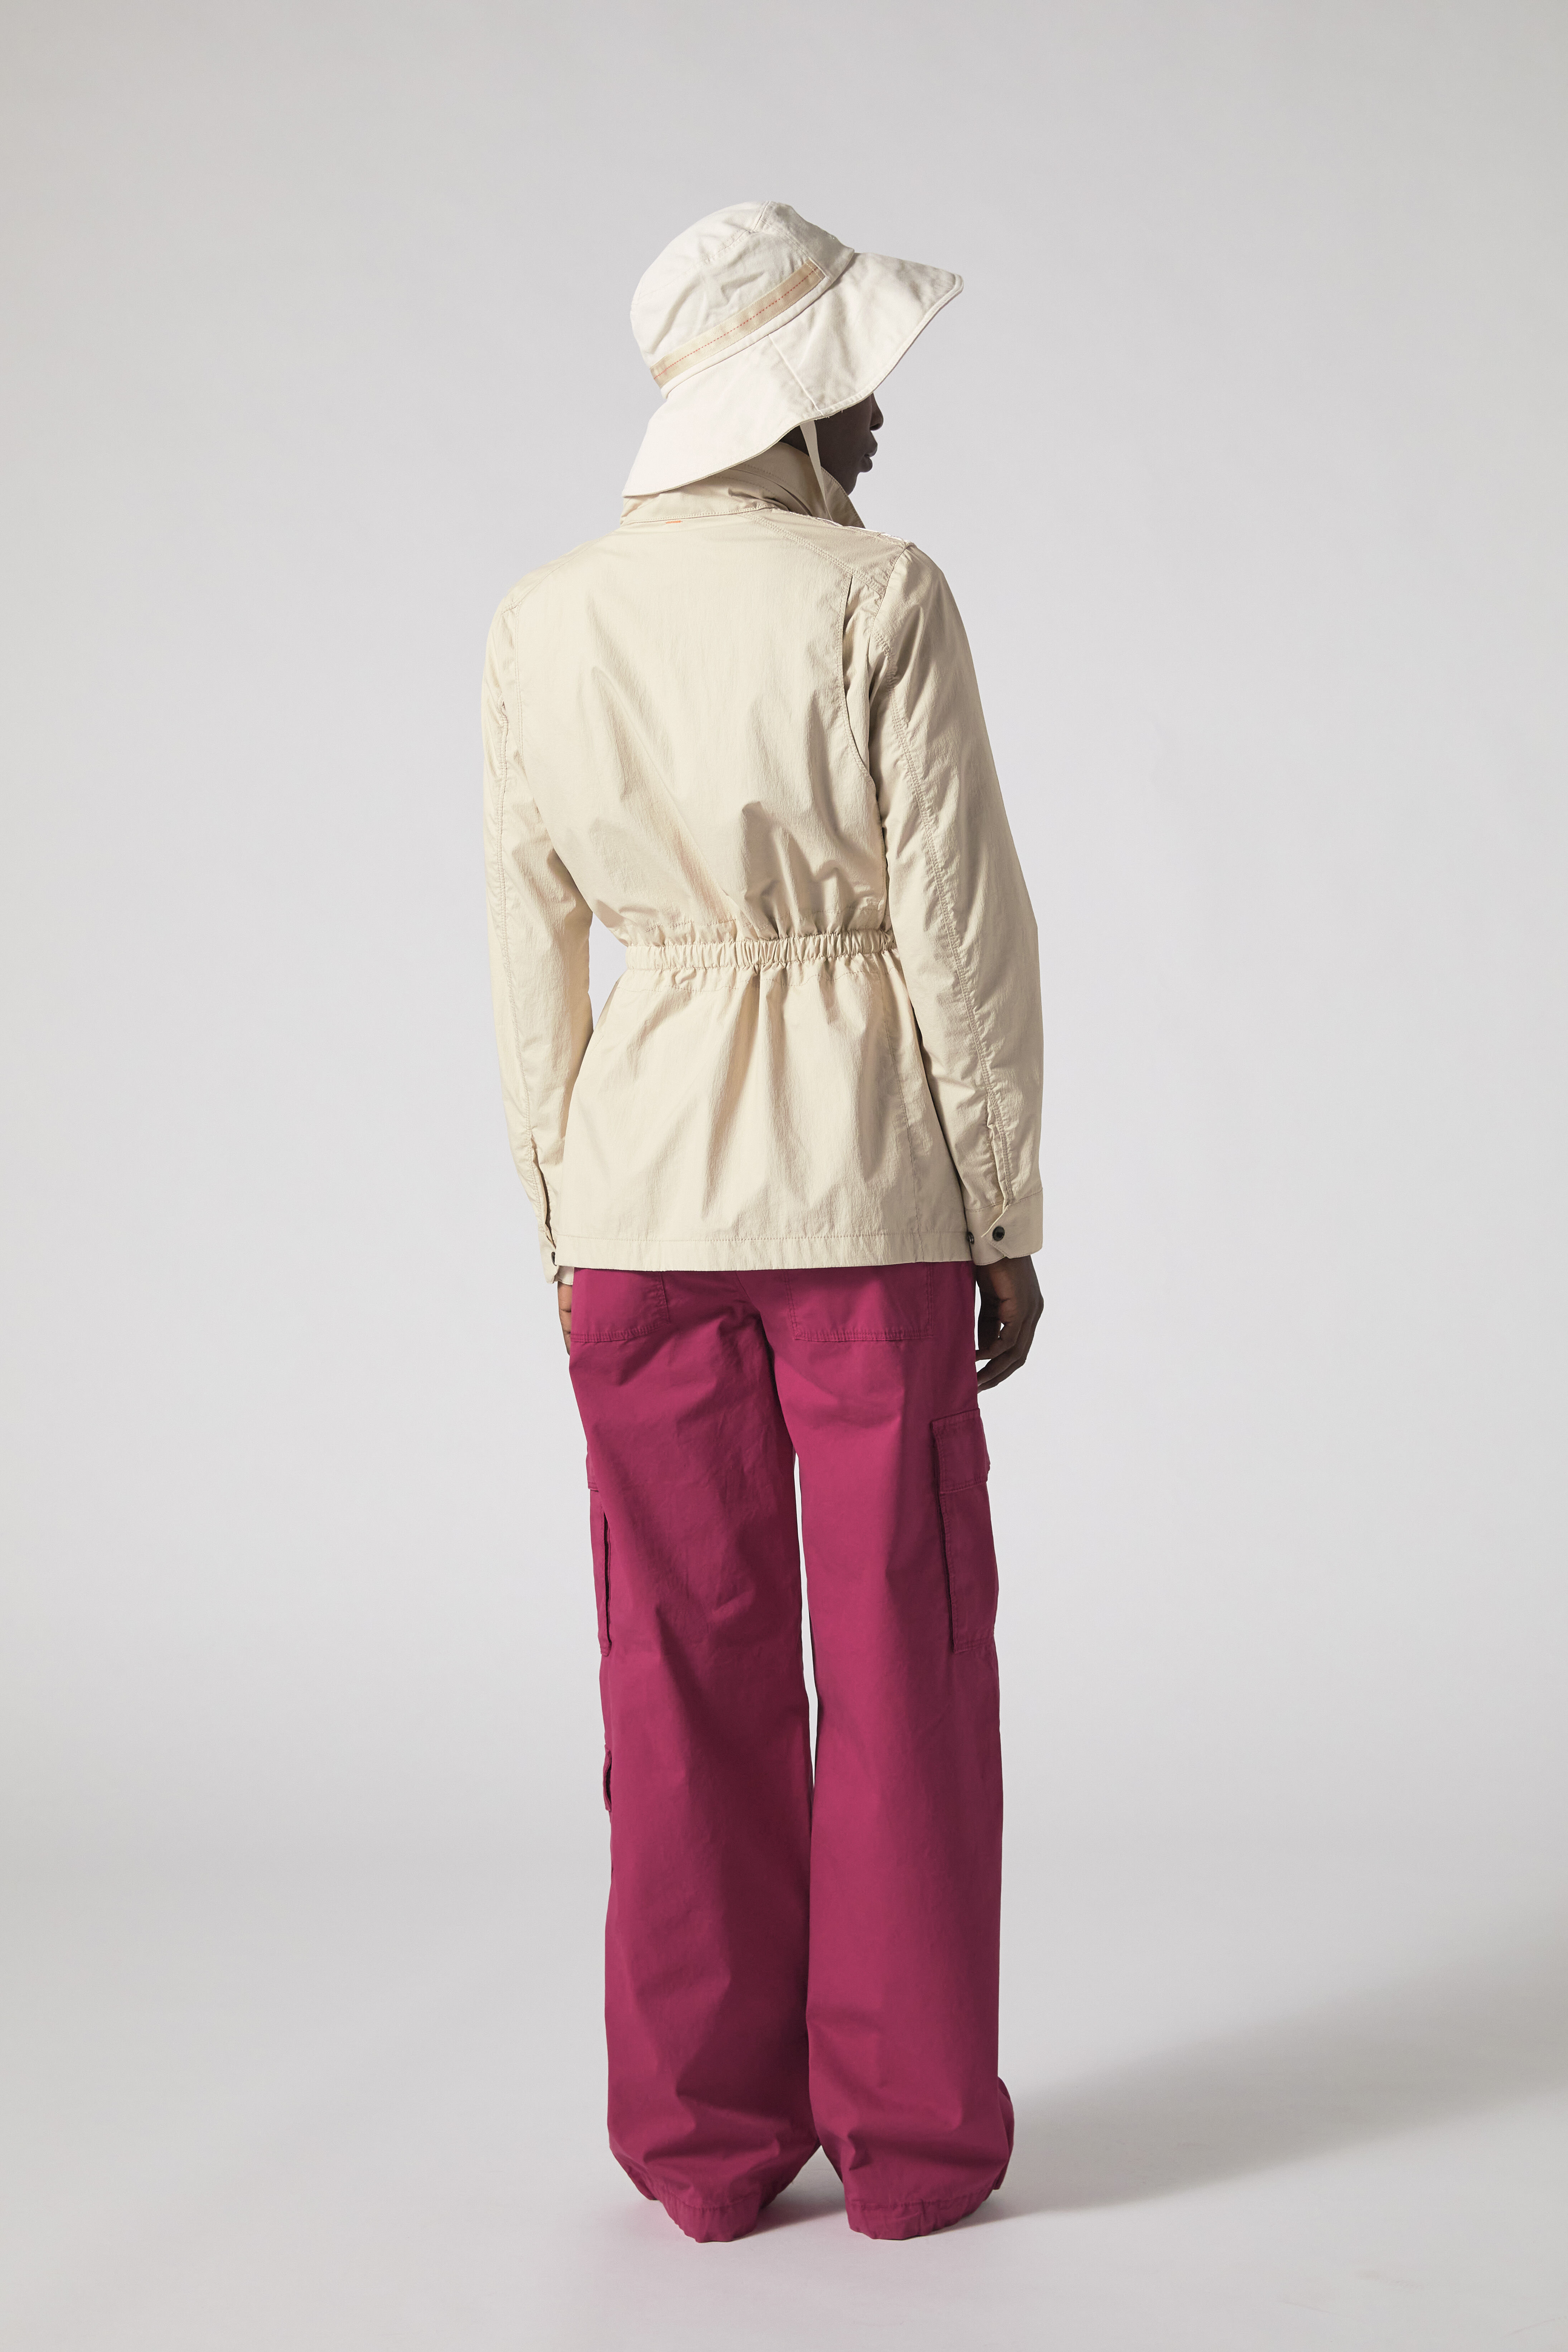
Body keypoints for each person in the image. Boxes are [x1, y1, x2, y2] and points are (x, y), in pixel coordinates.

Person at [482, 202, 1044, 2244]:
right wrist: (1001, 1207)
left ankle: (707, 2154)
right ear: (788, 399)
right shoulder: (881, 597)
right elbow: (959, 932)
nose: (879, 418)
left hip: (638, 1207)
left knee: (674, 1674)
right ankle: (912, 2148)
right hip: (863, 1196)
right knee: (904, 1667)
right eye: (855, 381)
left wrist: (562, 1221)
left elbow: (529, 954)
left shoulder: (544, 622)